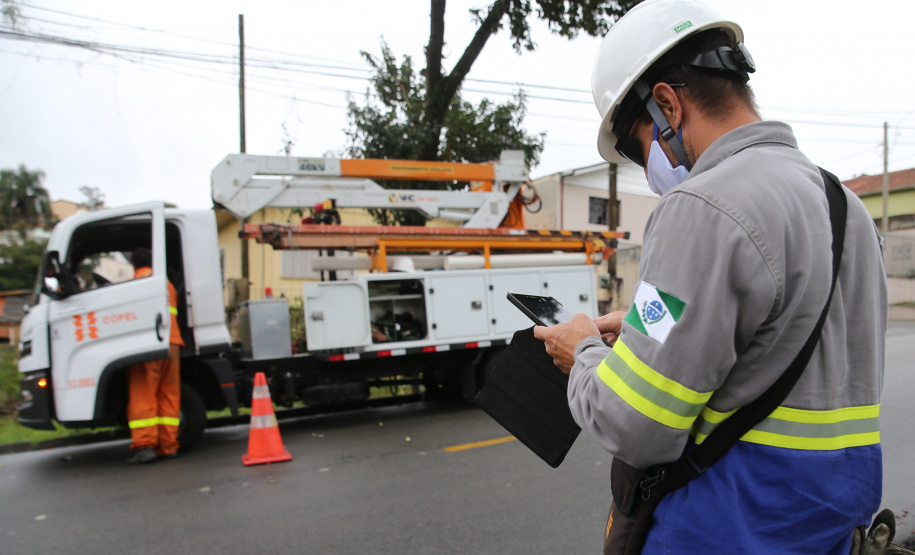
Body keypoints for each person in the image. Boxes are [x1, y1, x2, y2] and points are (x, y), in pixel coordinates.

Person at [534, 0, 888, 552]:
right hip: (828, 529)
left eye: (635, 145)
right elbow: (779, 336)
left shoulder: (703, 205)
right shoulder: (846, 207)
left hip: (729, 527)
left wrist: (581, 351)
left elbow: (633, 424)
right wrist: (647, 329)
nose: (644, 163)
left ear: (667, 105)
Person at [126, 247, 184, 464]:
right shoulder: (166, 284)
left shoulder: (135, 284)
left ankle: (145, 446)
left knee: (144, 394)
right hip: (173, 343)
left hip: (149, 344)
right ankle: (168, 446)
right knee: (169, 394)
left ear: (134, 265)